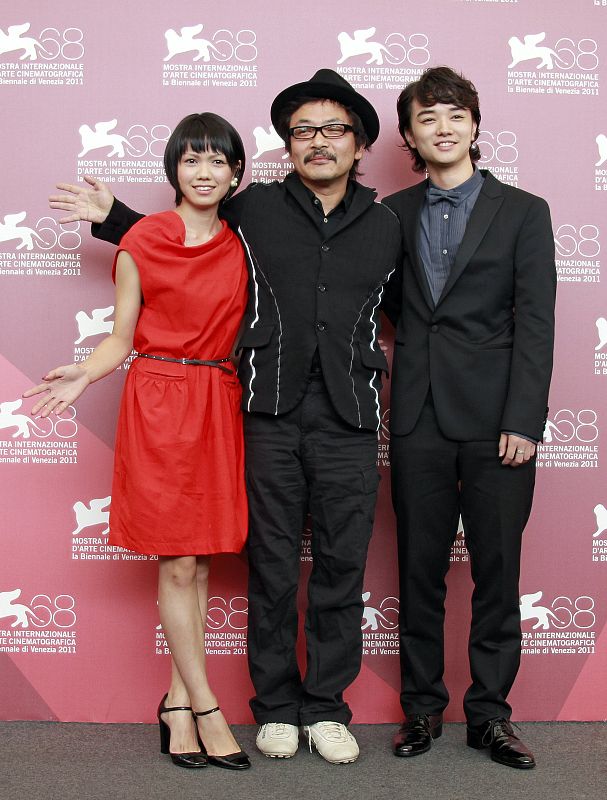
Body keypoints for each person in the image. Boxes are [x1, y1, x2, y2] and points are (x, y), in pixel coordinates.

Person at [48, 69, 401, 764]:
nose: (319, 141)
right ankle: (275, 708)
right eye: (303, 130)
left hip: (351, 416)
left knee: (341, 564)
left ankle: (326, 709)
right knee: (271, 564)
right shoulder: (256, 209)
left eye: (334, 130)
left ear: (359, 144)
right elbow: (185, 234)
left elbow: (420, 312)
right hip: (264, 410)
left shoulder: (390, 223)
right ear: (286, 146)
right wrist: (113, 217)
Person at [26, 113, 251, 771]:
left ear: (236, 173)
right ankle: (206, 706)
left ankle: (176, 701)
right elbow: (121, 336)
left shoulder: (244, 243)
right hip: (159, 401)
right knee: (176, 562)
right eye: (191, 160)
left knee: (200, 562)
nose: (204, 172)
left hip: (218, 399)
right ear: (173, 168)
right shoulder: (143, 240)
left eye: (217, 161)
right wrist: (85, 371)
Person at [382, 66, 556, 769]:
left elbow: (536, 322)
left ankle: (490, 716)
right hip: (417, 415)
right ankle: (421, 710)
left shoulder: (525, 211)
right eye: (427, 118)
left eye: (455, 114)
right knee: (417, 572)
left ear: (475, 125)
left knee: (497, 572)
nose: (443, 127)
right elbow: (386, 303)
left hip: (497, 422)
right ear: (409, 136)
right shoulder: (390, 213)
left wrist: (524, 419)